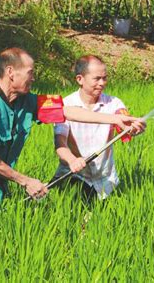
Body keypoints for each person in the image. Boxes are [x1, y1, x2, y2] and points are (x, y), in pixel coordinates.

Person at [0, 48, 144, 214]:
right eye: (30, 73)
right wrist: (26, 181)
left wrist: (115, 119)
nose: (34, 78)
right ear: (11, 72)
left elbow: (65, 111)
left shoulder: (25, 100)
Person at [52, 55, 145, 202]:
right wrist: (72, 160)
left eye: (105, 78)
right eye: (97, 79)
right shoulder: (65, 105)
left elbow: (124, 124)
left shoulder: (113, 103)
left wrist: (134, 128)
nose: (102, 83)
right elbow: (60, 143)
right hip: (74, 176)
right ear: (79, 79)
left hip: (105, 181)